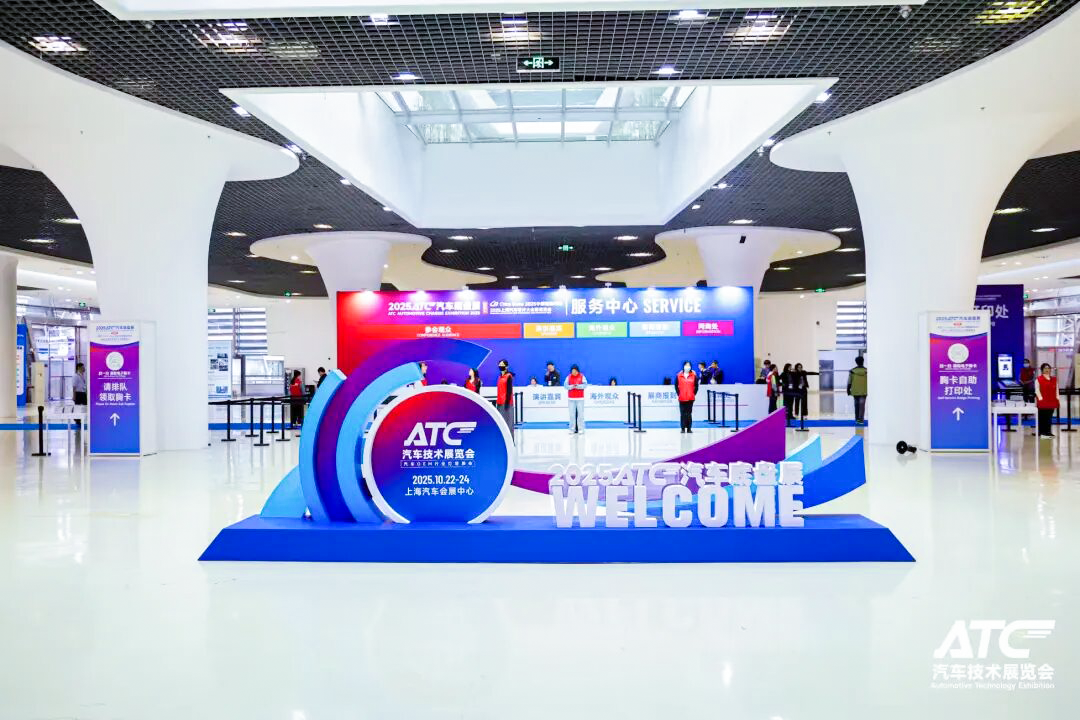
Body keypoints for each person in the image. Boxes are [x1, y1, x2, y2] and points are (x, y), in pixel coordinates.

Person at [1035, 363, 1059, 438]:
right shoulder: (1039, 379)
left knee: (1049, 417)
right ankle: (1041, 432)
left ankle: (1048, 432)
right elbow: (1037, 390)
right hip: (1042, 402)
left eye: (1048, 368)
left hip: (1051, 401)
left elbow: (1056, 389)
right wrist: (1040, 399)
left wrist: (1057, 398)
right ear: (1042, 370)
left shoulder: (1054, 379)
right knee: (1042, 417)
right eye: (1045, 368)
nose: (1047, 370)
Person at [676, 360, 699, 433]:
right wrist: (679, 394)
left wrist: (693, 393)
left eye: (689, 365)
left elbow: (696, 386)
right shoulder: (679, 375)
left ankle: (689, 428)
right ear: (683, 366)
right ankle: (682, 428)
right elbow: (676, 386)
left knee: (689, 414)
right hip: (682, 398)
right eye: (686, 365)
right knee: (682, 414)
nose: (687, 367)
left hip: (690, 398)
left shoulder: (693, 375)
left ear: (691, 367)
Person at [565, 364, 588, 434]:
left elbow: (585, 385)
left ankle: (581, 429)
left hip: (580, 398)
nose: (574, 372)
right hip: (571, 398)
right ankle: (572, 429)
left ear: (577, 371)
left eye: (575, 371)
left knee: (580, 414)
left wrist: (578, 386)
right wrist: (571, 386)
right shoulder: (568, 377)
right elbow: (565, 386)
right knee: (572, 415)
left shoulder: (582, 376)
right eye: (572, 371)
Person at [847, 356, 868, 424]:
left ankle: (857, 419)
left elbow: (849, 381)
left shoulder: (852, 371)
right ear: (863, 361)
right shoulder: (866, 371)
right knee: (862, 404)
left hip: (855, 390)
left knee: (856, 404)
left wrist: (848, 389)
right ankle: (861, 419)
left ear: (856, 362)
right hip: (864, 390)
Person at [495, 359, 515, 430]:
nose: (500, 366)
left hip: (506, 403)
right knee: (501, 423)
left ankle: (510, 437)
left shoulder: (509, 376)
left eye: (502, 365)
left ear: (506, 366)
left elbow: (509, 391)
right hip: (499, 402)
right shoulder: (500, 376)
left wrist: (507, 403)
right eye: (499, 365)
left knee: (508, 422)